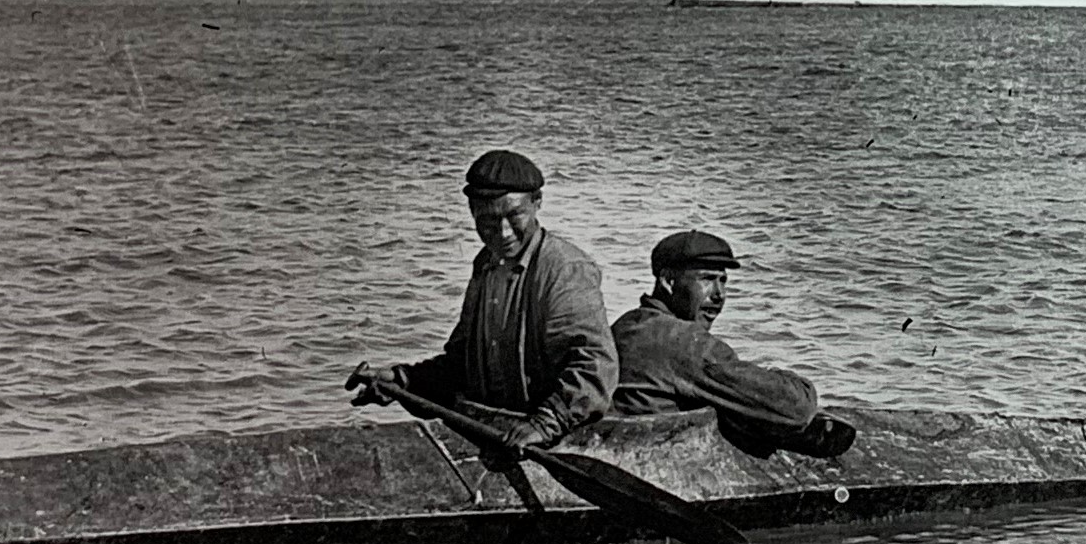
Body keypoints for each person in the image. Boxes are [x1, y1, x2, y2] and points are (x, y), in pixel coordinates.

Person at [347, 149, 615, 449]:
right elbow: (462, 365)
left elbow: (593, 368)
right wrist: (403, 381)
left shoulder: (565, 269)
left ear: (537, 203)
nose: (503, 232)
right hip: (496, 431)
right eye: (488, 220)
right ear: (472, 211)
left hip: (548, 438)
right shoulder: (486, 264)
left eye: (515, 215)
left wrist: (543, 424)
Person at [610, 230, 855, 458]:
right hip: (662, 460)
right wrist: (790, 381)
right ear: (668, 281)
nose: (719, 294)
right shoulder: (685, 342)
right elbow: (796, 408)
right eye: (707, 279)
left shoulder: (625, 326)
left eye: (723, 281)